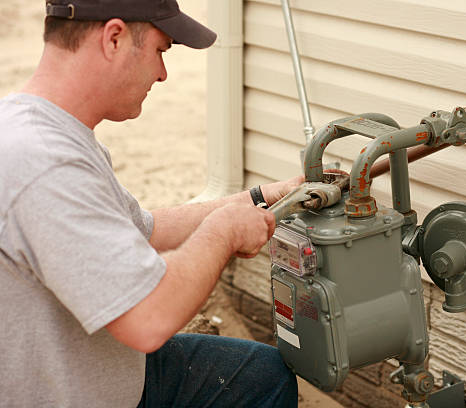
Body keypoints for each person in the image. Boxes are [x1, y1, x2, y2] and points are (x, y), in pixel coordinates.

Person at [0, 0, 300, 406]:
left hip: (109, 373)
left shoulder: (46, 130)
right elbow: (148, 320)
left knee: (263, 375)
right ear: (115, 37)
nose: (162, 73)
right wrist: (224, 232)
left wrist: (261, 197)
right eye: (161, 50)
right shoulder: (43, 162)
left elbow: (148, 230)